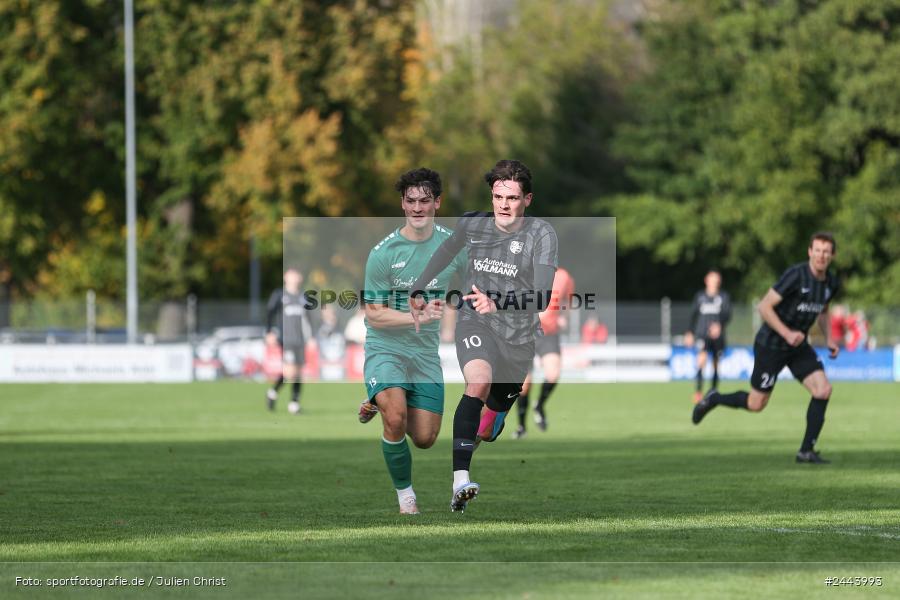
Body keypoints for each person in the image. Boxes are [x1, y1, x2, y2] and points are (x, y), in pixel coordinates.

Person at [409, 159, 558, 512]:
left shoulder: (542, 234)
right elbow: (446, 251)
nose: (504, 205)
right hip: (474, 320)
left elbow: (542, 297)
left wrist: (500, 302)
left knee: (486, 429)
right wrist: (418, 287)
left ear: (528, 200)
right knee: (477, 383)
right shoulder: (473, 224)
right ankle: (461, 481)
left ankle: (487, 428)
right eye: (498, 196)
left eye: (512, 198)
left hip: (519, 338)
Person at [358, 167, 467, 515]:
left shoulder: (453, 246)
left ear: (437, 202)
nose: (418, 208)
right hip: (385, 348)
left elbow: (478, 281)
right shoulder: (384, 253)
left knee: (424, 438)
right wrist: (413, 316)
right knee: (396, 417)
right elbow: (373, 313)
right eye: (411, 201)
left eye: (425, 201)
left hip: (424, 355)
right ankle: (407, 498)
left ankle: (381, 398)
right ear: (402, 205)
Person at [692, 232, 840, 464]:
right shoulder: (795, 276)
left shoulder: (831, 282)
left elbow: (822, 310)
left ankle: (805, 451)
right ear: (810, 252)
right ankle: (714, 399)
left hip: (798, 346)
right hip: (771, 344)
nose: (821, 255)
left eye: (826, 251)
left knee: (823, 390)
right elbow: (764, 307)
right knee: (756, 404)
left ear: (832, 255)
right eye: (817, 250)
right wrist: (787, 333)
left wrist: (829, 338)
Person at [513, 267, 575, 439]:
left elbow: (567, 302)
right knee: (525, 385)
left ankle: (539, 405)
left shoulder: (564, 276)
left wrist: (564, 317)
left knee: (553, 374)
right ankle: (521, 427)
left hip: (549, 334)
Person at [265, 268, 312, 414]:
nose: (295, 278)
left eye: (297, 275)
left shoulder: (303, 296)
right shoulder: (279, 294)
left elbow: (308, 319)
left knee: (298, 373)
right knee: (290, 372)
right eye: (292, 275)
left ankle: (294, 403)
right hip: (286, 339)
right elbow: (269, 313)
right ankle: (273, 392)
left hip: (300, 340)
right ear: (286, 277)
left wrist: (311, 337)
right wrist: (269, 332)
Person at [684, 269, 732, 404]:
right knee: (701, 360)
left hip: (718, 337)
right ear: (706, 280)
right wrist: (689, 332)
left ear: (719, 282)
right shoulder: (700, 297)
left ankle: (713, 393)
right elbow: (693, 315)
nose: (714, 282)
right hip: (702, 335)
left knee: (716, 364)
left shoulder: (724, 297)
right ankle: (698, 392)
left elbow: (728, 314)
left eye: (717, 280)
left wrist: (719, 325)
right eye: (712, 279)